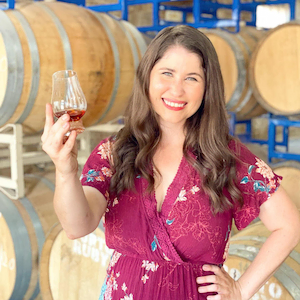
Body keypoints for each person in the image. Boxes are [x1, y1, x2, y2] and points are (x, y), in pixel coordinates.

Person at [42, 25, 300, 300]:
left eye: (192, 78)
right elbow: (76, 226)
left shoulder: (226, 157)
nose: (176, 89)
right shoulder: (114, 153)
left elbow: (289, 225)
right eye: (167, 73)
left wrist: (240, 289)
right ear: (147, 78)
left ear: (206, 88)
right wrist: (65, 169)